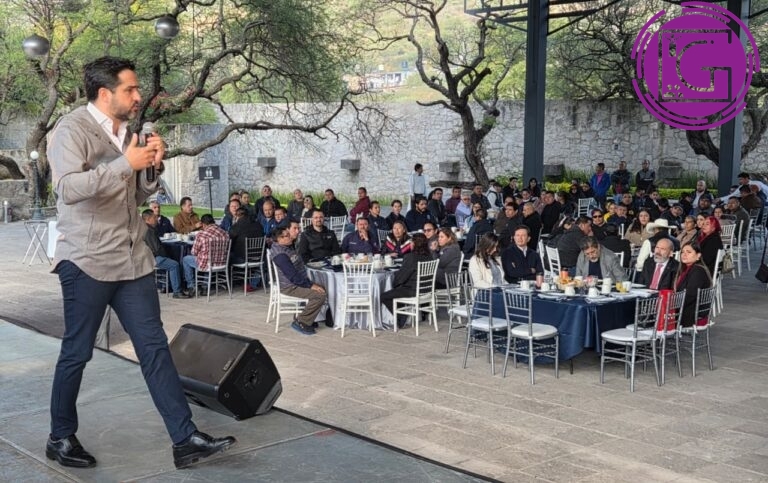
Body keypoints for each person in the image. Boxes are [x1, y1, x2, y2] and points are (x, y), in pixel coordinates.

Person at [46, 56, 234, 470]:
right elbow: (67, 189)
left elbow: (133, 197)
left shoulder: (129, 133)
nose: (138, 96)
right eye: (130, 89)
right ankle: (60, 436)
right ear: (104, 93)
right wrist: (123, 164)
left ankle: (185, 439)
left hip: (133, 261)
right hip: (88, 260)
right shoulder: (70, 130)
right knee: (78, 351)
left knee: (154, 349)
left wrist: (151, 166)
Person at [271, 227, 327, 335]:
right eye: (287, 235)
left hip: (295, 282)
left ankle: (308, 317)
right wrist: (310, 285)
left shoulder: (284, 247)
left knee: (322, 287)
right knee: (319, 294)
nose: (290, 237)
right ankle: (302, 321)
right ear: (279, 239)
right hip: (290, 286)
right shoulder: (280, 255)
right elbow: (293, 277)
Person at [381, 233, 433, 328]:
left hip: (412, 290)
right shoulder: (430, 256)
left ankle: (402, 316)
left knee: (384, 296)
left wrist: (393, 282)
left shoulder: (410, 257)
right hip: (427, 290)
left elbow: (402, 277)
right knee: (398, 290)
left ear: (414, 244)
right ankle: (402, 316)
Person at [142, 209, 188, 298]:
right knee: (174, 264)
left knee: (173, 260)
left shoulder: (147, 229)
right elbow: (157, 249)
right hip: (152, 257)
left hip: (150, 256)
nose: (156, 219)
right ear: (147, 219)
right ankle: (177, 291)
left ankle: (171, 286)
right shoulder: (148, 231)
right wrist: (166, 255)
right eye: (154, 217)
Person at [182, 214, 229, 295]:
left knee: (186, 259)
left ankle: (192, 285)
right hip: (222, 263)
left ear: (203, 224)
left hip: (207, 264)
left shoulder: (201, 234)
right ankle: (205, 287)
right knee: (208, 259)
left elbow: (194, 252)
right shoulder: (225, 233)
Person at [674, 242, 713, 327]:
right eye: (682, 252)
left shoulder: (698, 271)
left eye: (689, 252)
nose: (684, 255)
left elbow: (690, 295)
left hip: (691, 313)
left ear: (698, 255)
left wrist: (672, 304)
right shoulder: (687, 269)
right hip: (687, 308)